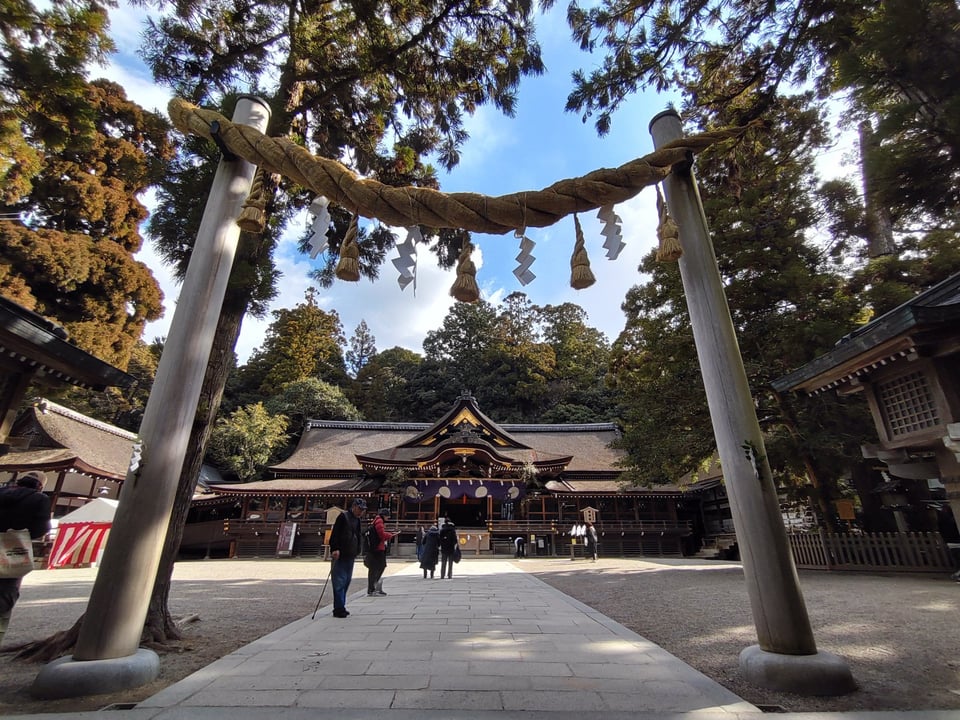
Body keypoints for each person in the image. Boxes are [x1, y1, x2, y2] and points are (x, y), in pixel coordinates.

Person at [0, 472, 51, 646]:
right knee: (6, 592)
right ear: (40, 485)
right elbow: (40, 528)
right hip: (14, 548)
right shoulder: (40, 499)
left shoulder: (2, 492)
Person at [328, 498, 365, 618]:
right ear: (354, 506)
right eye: (360, 509)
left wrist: (359, 548)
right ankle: (339, 608)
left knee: (347, 581)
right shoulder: (343, 517)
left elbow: (359, 535)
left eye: (363, 510)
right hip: (340, 553)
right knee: (339, 581)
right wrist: (335, 548)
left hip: (351, 553)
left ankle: (341, 605)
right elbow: (335, 534)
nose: (361, 512)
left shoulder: (357, 520)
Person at [366, 507, 394, 596]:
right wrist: (389, 535)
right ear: (384, 516)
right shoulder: (379, 522)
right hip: (377, 548)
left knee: (375, 568)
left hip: (375, 548)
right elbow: (381, 535)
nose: (388, 518)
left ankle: (374, 586)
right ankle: (373, 587)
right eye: (387, 516)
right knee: (378, 567)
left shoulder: (376, 521)